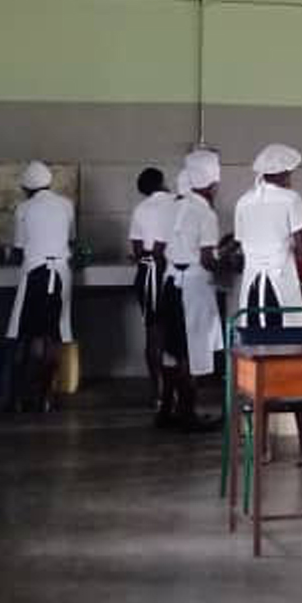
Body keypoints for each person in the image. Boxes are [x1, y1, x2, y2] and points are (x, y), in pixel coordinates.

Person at [234, 142, 302, 455]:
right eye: (291, 173)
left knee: (260, 368)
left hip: (253, 294)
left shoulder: (244, 201)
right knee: (294, 366)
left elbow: (244, 245)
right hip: (282, 292)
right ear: (282, 173)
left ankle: (262, 447)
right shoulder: (291, 200)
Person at [157, 152, 225, 431]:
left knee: (171, 351)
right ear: (212, 185)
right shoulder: (205, 213)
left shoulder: (170, 207)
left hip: (170, 282)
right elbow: (208, 259)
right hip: (194, 287)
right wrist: (226, 257)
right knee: (191, 352)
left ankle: (165, 410)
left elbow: (160, 250)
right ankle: (188, 414)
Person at [6, 160, 76, 412]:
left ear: (26, 188)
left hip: (34, 273)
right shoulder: (66, 205)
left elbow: (18, 249)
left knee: (24, 337)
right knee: (52, 337)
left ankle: (16, 398)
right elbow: (71, 240)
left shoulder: (24, 208)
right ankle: (45, 397)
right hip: (59, 274)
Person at [128, 167, 176, 418]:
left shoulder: (141, 209)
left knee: (153, 333)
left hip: (148, 273)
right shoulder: (176, 203)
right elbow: (166, 245)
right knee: (175, 335)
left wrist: (147, 254)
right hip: (172, 271)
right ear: (163, 182)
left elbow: (138, 250)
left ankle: (156, 392)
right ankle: (175, 392)